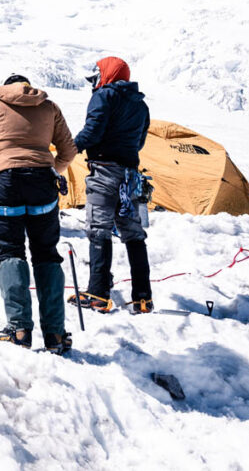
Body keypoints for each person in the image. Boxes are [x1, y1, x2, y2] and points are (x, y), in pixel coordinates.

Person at [0, 74, 77, 353]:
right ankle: (54, 335)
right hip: (42, 181)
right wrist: (52, 168)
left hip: (5, 184)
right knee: (45, 253)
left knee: (11, 251)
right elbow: (68, 149)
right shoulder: (48, 106)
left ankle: (18, 330)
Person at [68, 56, 152, 314]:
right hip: (130, 177)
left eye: (95, 78)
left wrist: (70, 148)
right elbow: (139, 142)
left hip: (104, 172)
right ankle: (142, 298)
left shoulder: (104, 96)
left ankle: (97, 293)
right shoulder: (141, 105)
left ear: (106, 75)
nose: (93, 83)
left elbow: (92, 131)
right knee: (134, 234)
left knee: (98, 230)